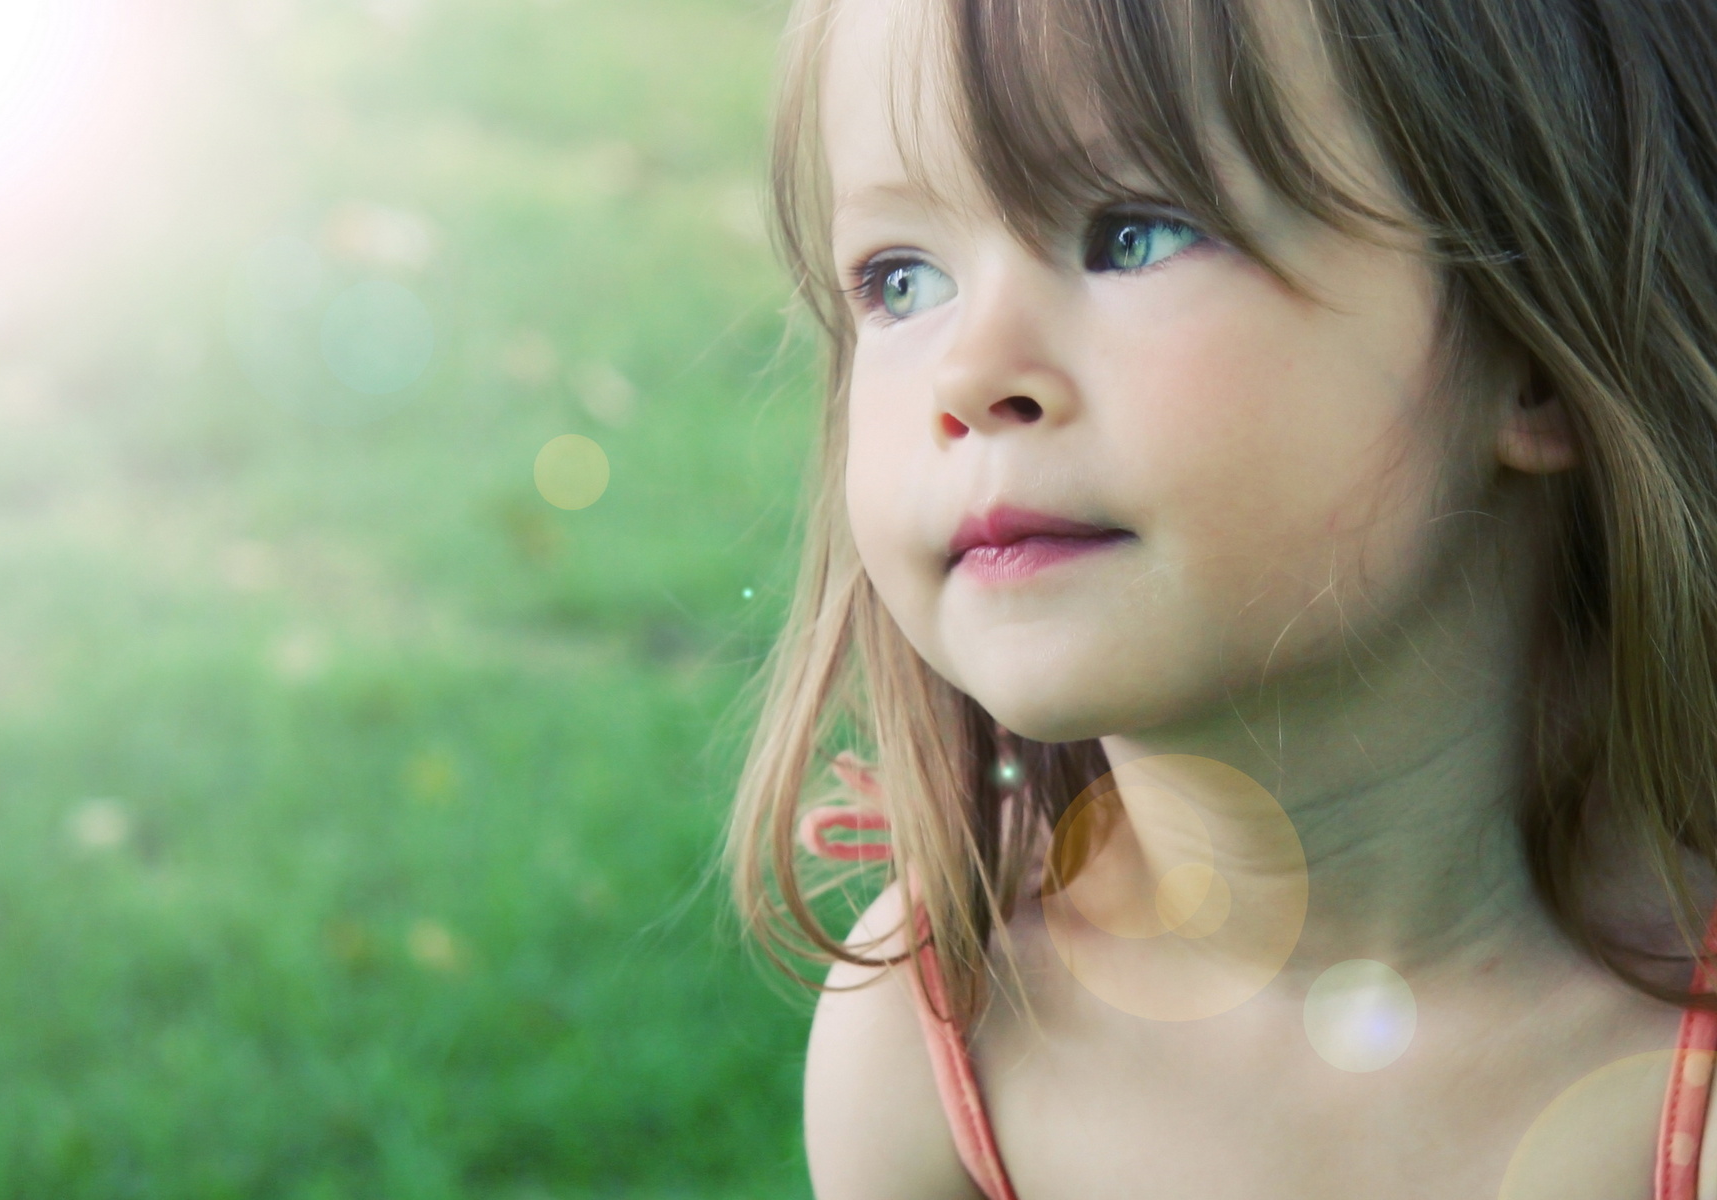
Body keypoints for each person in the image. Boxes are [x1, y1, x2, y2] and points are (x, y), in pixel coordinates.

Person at [724, 0, 1717, 1195]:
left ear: (1537, 353)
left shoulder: (1681, 1099)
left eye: (1136, 233)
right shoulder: (935, 1029)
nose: (970, 373)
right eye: (901, 278)